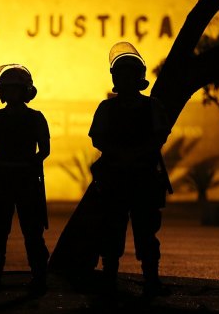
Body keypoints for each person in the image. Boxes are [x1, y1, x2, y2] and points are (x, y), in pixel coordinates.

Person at [89, 42, 171, 297]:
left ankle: (150, 278)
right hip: (117, 177)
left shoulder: (152, 107)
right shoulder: (107, 108)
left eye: (129, 74)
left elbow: (159, 136)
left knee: (146, 232)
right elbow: (98, 139)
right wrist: (122, 155)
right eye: (122, 74)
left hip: (142, 177)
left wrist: (132, 155)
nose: (125, 79)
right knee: (112, 231)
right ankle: (111, 277)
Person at [0, 64, 50, 296]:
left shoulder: (36, 118)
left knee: (33, 232)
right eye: (6, 89)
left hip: (25, 180)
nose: (10, 94)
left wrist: (22, 165)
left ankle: (39, 276)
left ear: (24, 91)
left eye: (14, 89)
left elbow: (45, 150)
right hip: (4, 181)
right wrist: (3, 164)